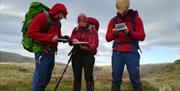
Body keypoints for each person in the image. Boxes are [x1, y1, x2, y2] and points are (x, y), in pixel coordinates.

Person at [105, 0, 146, 91]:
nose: (121, 12)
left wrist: (129, 32)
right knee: (116, 78)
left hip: (132, 52)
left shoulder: (135, 19)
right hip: (117, 52)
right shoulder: (113, 20)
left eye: (123, 9)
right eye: (119, 9)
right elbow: (107, 38)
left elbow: (142, 36)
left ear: (127, 7)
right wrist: (114, 33)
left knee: (135, 78)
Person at [27, 3, 69, 91]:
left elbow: (58, 36)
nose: (61, 18)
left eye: (62, 17)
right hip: (42, 51)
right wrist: (50, 38)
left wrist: (65, 39)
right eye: (60, 15)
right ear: (56, 12)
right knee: (40, 80)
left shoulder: (58, 23)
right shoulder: (42, 17)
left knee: (46, 79)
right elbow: (31, 33)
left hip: (51, 53)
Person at [68, 13, 99, 91]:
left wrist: (85, 48)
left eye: (83, 23)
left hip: (88, 56)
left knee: (88, 77)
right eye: (80, 23)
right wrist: (72, 40)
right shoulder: (75, 29)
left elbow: (95, 44)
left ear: (86, 21)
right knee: (77, 78)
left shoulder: (92, 30)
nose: (82, 25)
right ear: (78, 22)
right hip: (76, 55)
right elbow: (70, 41)